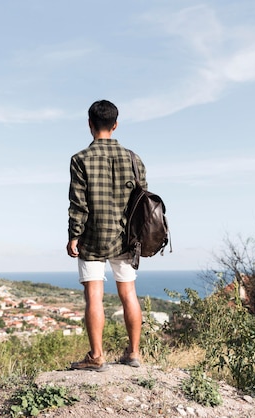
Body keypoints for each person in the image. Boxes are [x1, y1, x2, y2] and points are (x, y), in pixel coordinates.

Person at [66, 99, 147, 371]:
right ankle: (134, 353)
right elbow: (141, 201)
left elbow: (79, 203)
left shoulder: (80, 160)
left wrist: (73, 235)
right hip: (126, 238)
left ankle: (97, 356)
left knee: (94, 296)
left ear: (90, 124)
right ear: (115, 125)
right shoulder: (134, 159)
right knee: (129, 295)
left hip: (92, 237)